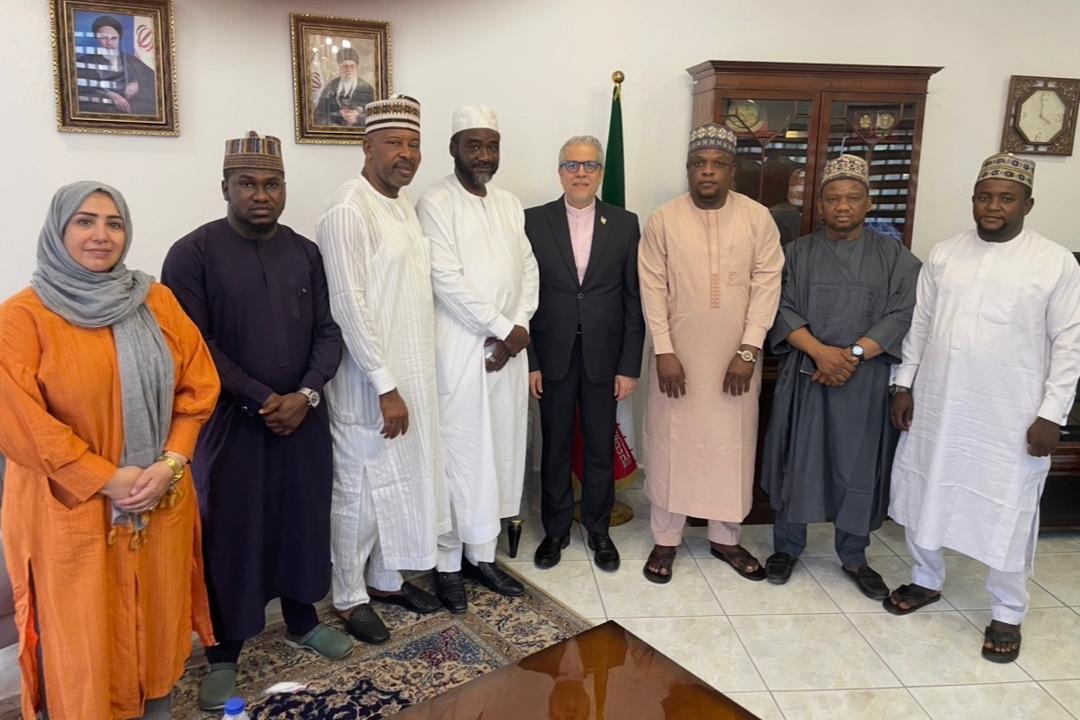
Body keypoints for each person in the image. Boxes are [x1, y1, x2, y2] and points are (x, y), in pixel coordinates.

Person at [0, 181, 220, 719]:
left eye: (113, 223)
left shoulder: (155, 301)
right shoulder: (21, 318)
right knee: (82, 644)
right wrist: (107, 478)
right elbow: (21, 424)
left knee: (156, 623)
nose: (101, 235)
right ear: (58, 230)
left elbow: (198, 386)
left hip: (160, 498)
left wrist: (172, 461)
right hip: (71, 512)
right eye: (85, 221)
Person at [161, 132, 353, 711]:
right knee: (233, 532)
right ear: (225, 187)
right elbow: (195, 345)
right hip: (232, 425)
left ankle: (302, 621)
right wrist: (262, 398)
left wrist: (306, 394)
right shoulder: (191, 254)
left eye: (272, 184)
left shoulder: (306, 252)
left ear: (284, 188)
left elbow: (329, 330)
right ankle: (223, 653)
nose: (261, 194)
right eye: (247, 183)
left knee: (301, 520)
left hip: (303, 418)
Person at [885, 153, 1080, 663]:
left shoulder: (1054, 262)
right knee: (926, 487)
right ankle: (926, 578)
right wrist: (903, 384)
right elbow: (921, 326)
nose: (993, 207)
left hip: (1011, 412)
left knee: (1008, 506)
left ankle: (1007, 611)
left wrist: (1052, 414)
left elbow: (1069, 343)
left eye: (1006, 198)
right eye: (984, 197)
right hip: (939, 401)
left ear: (1027, 205)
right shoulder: (945, 254)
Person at [317, 95, 448, 644]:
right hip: (367, 385)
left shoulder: (400, 203)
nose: (406, 154)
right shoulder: (349, 209)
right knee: (360, 493)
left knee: (398, 485)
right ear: (366, 146)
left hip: (405, 374)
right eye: (394, 143)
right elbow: (348, 305)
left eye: (414, 144)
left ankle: (386, 579)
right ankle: (349, 597)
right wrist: (385, 385)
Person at [759, 155, 921, 599]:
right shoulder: (796, 254)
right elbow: (778, 306)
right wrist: (820, 353)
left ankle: (854, 555)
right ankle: (786, 548)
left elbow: (903, 312)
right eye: (833, 198)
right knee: (798, 460)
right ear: (820, 205)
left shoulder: (894, 257)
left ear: (868, 203)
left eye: (852, 198)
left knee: (858, 466)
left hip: (864, 379)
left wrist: (851, 355)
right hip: (807, 374)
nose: (843, 206)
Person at [638, 124, 783, 584]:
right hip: (676, 359)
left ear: (732, 170)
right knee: (672, 444)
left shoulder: (757, 218)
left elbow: (767, 284)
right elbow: (652, 289)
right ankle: (666, 539)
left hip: (735, 360)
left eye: (717, 164)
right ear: (688, 169)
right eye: (699, 163)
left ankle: (726, 537)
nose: (707, 171)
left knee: (731, 445)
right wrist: (664, 351)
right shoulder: (663, 219)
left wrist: (749, 349)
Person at [416, 105, 538, 611]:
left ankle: (482, 556)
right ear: (453, 148)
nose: (484, 155)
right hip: (461, 350)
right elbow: (445, 279)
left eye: (492, 146)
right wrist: (502, 329)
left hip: (507, 351)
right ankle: (447, 564)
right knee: (460, 456)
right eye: (474, 145)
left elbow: (527, 268)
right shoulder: (434, 201)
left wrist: (518, 328)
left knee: (501, 451)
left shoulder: (509, 203)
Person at [523, 135, 645, 571]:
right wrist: (531, 361)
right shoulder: (532, 221)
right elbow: (522, 296)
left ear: (600, 173)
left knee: (598, 447)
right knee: (554, 447)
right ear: (560, 172)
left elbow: (633, 299)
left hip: (604, 358)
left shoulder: (625, 223)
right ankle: (555, 531)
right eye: (572, 165)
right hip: (552, 354)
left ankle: (598, 529)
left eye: (589, 165)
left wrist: (629, 366)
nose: (581, 173)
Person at [75, 14, 157, 115]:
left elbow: (156, 85)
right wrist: (109, 94)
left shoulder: (132, 61)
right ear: (96, 39)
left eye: (113, 38)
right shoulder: (83, 62)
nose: (109, 43)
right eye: (103, 38)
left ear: (119, 39)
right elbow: (80, 89)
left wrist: (137, 83)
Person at [314, 47, 375, 127]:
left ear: (357, 67)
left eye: (352, 66)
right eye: (345, 66)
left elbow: (375, 115)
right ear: (340, 67)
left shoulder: (367, 88)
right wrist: (338, 114)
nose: (349, 69)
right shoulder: (330, 87)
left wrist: (358, 117)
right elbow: (320, 114)